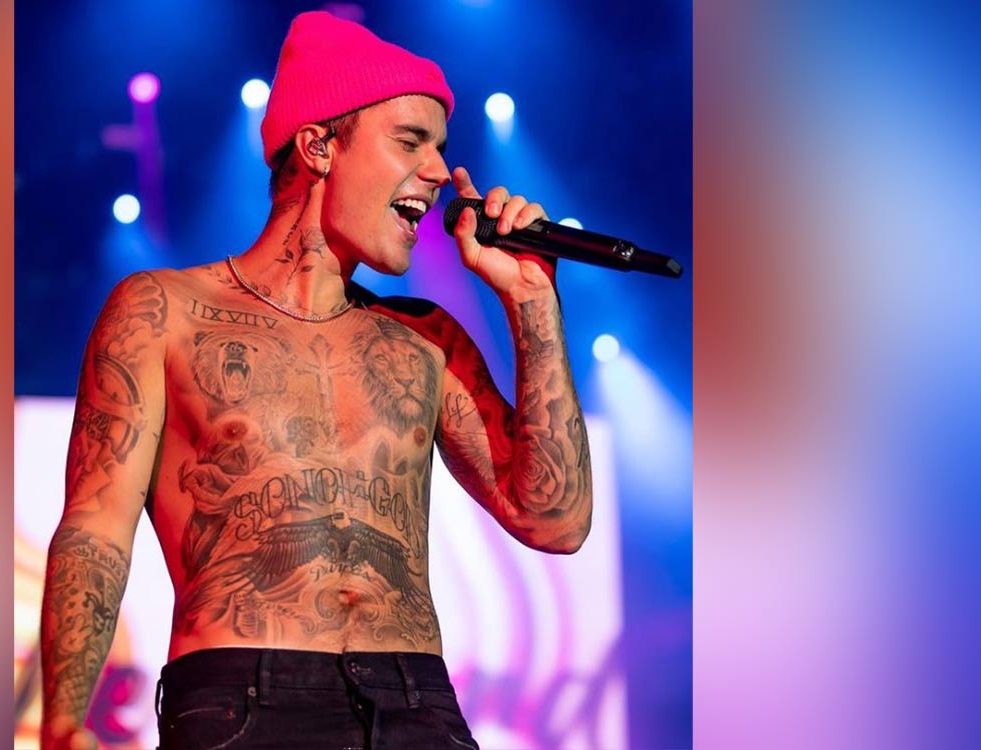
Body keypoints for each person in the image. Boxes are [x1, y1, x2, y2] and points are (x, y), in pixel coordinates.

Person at [40, 11, 592, 750]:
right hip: (244, 699)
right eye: (411, 142)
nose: (439, 173)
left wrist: (532, 303)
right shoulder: (163, 311)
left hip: (418, 705)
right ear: (320, 145)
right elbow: (96, 526)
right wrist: (63, 719)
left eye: (439, 148)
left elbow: (555, 521)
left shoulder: (425, 338)